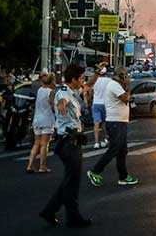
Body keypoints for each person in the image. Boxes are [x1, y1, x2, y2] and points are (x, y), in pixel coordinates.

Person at [39, 63, 92, 228]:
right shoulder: (63, 93)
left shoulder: (73, 91)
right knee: (72, 183)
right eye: (81, 78)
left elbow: (89, 86)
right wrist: (61, 106)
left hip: (72, 141)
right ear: (74, 79)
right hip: (68, 142)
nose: (83, 81)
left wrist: (97, 72)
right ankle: (73, 217)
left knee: (70, 181)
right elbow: (62, 101)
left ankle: (49, 211)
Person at [87, 66, 138, 187]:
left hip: (120, 121)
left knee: (122, 150)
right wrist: (128, 86)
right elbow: (125, 98)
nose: (128, 76)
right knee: (115, 148)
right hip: (115, 122)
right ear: (121, 75)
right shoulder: (114, 85)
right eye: (126, 74)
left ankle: (123, 176)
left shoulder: (117, 85)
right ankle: (96, 171)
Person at [27, 73, 57, 173]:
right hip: (47, 120)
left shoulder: (40, 90)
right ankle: (42, 167)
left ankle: (30, 165)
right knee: (45, 144)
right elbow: (53, 106)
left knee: (36, 143)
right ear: (52, 81)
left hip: (37, 119)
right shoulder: (51, 92)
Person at [87, 63, 110, 149]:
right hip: (105, 104)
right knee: (104, 124)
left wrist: (88, 102)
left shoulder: (94, 80)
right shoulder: (109, 80)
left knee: (96, 124)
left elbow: (90, 92)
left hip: (96, 103)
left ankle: (96, 142)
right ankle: (104, 139)